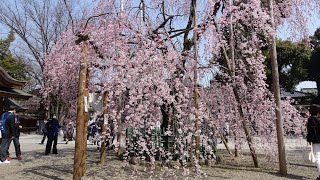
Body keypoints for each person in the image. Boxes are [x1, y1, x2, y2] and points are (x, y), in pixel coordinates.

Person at [306, 104, 320, 180]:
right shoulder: (318, 118)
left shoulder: (312, 119)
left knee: (317, 157)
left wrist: (309, 139)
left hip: (317, 140)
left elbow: (312, 131)